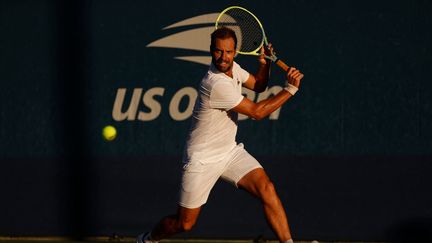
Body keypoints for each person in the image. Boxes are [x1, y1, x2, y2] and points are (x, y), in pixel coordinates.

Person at [137, 27, 304, 243]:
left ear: (235, 52)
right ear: (210, 50)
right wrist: (290, 89)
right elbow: (257, 112)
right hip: (202, 159)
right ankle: (148, 239)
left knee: (266, 188)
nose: (223, 57)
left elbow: (259, 85)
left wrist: (265, 64)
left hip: (228, 151)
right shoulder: (214, 83)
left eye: (228, 52)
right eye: (218, 51)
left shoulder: (233, 67)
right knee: (184, 223)